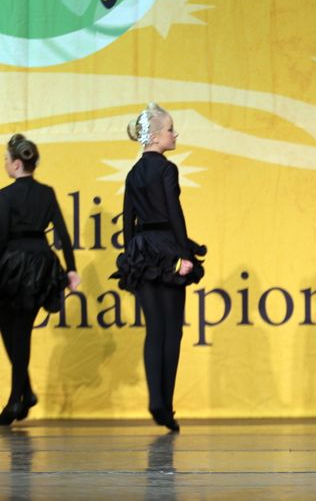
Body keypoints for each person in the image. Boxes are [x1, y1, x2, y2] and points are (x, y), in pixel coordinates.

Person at [113, 104, 207, 433]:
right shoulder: (167, 169)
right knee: (172, 330)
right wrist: (185, 253)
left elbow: (128, 219)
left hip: (141, 251)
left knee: (154, 329)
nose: (174, 134)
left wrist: (130, 256)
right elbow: (173, 211)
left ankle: (156, 399)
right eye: (170, 129)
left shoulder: (133, 173)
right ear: (154, 136)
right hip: (167, 247)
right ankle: (165, 405)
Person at [0, 134, 81, 425]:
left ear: (17, 164)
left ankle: (15, 400)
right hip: (42, 266)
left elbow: (1, 237)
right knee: (16, 330)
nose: (5, 164)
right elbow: (63, 234)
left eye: (6, 160)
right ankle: (26, 392)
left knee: (16, 332)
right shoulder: (46, 193)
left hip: (13, 266)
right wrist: (71, 269)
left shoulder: (5, 196)